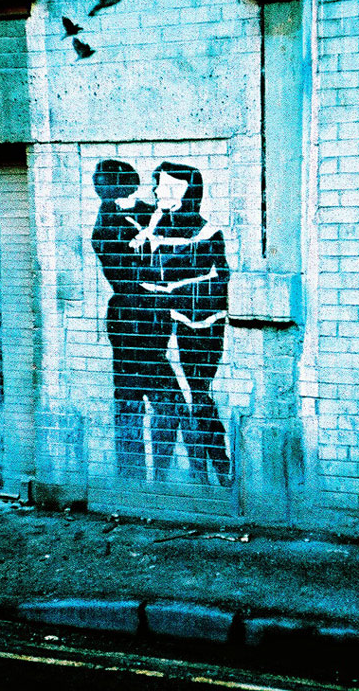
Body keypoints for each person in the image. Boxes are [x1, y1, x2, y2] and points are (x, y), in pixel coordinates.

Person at [134, 162, 231, 486]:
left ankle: (216, 469)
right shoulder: (155, 229)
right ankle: (172, 475)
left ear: (182, 190)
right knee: (171, 402)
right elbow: (145, 277)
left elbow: (221, 278)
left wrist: (176, 290)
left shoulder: (207, 233)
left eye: (162, 185)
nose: (155, 191)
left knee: (197, 398)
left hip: (198, 327)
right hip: (163, 325)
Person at [91, 160, 182, 480]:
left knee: (143, 401)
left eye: (103, 181)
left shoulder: (148, 211)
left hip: (151, 316)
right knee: (147, 401)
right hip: (131, 317)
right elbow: (126, 271)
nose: (100, 187)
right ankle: (136, 476)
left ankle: (151, 476)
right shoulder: (106, 224)